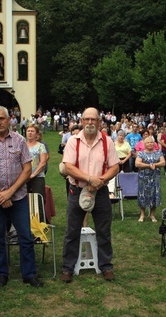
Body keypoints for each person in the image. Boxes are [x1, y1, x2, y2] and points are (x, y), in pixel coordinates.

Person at [0, 105, 44, 288]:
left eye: (2, 118)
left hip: (19, 197)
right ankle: (1, 273)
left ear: (9, 120)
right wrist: (0, 194)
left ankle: (29, 274)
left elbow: (27, 169)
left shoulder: (20, 140)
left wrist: (10, 192)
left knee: (25, 236)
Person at [60, 107, 120, 283]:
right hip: (77, 190)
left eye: (93, 120)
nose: (90, 123)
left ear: (100, 122)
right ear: (82, 121)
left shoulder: (107, 141)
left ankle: (106, 266)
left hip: (100, 191)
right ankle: (67, 268)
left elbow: (115, 167)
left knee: (103, 230)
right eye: (86, 119)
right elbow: (68, 167)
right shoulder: (73, 141)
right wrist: (89, 179)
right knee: (72, 230)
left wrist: (99, 181)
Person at [135, 136, 165, 222]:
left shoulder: (158, 153)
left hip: (155, 178)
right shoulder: (141, 153)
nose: (150, 144)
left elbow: (163, 162)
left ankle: (152, 215)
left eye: (151, 142)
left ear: (154, 144)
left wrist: (155, 165)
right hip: (143, 178)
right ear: (144, 144)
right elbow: (137, 164)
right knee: (142, 195)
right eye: (148, 142)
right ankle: (142, 214)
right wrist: (149, 166)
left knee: (154, 195)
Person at [25, 124, 47, 200]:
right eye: (28, 131)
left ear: (36, 134)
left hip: (37, 176)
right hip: (23, 177)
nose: (30, 133)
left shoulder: (41, 146)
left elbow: (43, 162)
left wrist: (33, 174)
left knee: (38, 200)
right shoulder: (22, 145)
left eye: (32, 131)